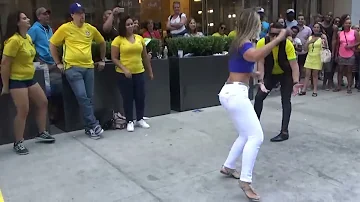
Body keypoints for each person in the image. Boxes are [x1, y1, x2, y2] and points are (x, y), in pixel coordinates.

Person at [218, 8, 288, 201]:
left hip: (229, 91)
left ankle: (228, 166)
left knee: (245, 134)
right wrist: (278, 39)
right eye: (258, 22)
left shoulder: (237, 42)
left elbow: (239, 66)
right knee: (256, 136)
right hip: (235, 94)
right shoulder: (245, 43)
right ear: (253, 24)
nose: (261, 25)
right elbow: (255, 56)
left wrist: (253, 74)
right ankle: (245, 181)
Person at [49, 2, 106, 139]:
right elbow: (52, 44)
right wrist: (58, 63)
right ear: (72, 15)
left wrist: (102, 59)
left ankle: (89, 129)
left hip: (88, 67)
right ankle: (94, 124)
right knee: (82, 96)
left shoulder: (90, 29)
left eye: (83, 13)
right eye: (79, 13)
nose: (82, 16)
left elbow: (102, 41)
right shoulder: (65, 28)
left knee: (89, 98)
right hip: (72, 68)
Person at [1, 11, 55, 155]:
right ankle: (18, 142)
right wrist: (6, 86)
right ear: (17, 23)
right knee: (23, 110)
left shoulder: (28, 37)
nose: (28, 19)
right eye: (24, 18)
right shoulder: (13, 41)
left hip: (29, 78)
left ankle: (42, 132)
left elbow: (31, 56)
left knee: (43, 102)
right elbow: (5, 64)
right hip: (17, 80)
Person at [254, 22, 302, 142]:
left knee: (285, 101)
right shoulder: (262, 43)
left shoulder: (287, 44)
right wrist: (261, 80)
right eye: (272, 34)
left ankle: (284, 132)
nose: (274, 37)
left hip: (285, 74)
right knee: (259, 97)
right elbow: (260, 62)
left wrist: (296, 82)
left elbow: (294, 65)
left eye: (277, 34)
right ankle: (253, 128)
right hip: (271, 74)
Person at [111, 16, 153, 132]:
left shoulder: (139, 38)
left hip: (139, 71)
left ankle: (140, 119)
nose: (131, 26)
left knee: (140, 97)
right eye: (128, 24)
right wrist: (124, 69)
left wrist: (150, 71)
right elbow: (114, 58)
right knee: (128, 98)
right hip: (124, 74)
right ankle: (129, 120)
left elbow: (144, 56)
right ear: (123, 26)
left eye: (132, 24)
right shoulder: (118, 40)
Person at [299, 23, 328, 96]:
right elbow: (305, 49)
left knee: (315, 75)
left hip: (317, 57)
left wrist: (324, 41)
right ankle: (304, 89)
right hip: (309, 56)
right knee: (307, 74)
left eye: (318, 27)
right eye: (314, 27)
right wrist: (309, 42)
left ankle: (315, 90)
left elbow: (326, 47)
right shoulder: (310, 37)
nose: (316, 29)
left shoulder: (323, 37)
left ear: (320, 28)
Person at [334, 18, 360, 93]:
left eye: (349, 23)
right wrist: (336, 54)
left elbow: (358, 42)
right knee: (340, 71)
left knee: (349, 71)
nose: (348, 25)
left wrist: (351, 46)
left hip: (351, 54)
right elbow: (337, 45)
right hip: (341, 53)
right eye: (346, 23)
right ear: (343, 24)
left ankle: (349, 87)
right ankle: (338, 86)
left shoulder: (354, 32)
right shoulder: (340, 33)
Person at [321, 12, 338, 90]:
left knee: (329, 67)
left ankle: (328, 82)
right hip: (320, 47)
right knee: (321, 67)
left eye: (331, 16)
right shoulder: (319, 25)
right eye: (328, 15)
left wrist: (333, 51)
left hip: (329, 48)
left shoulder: (334, 27)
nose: (329, 16)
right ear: (324, 16)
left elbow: (334, 40)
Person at [296, 14, 312, 79]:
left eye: (302, 19)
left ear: (304, 20)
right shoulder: (294, 28)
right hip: (295, 52)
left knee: (304, 68)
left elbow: (310, 38)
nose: (300, 20)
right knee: (296, 67)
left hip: (304, 51)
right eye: (299, 19)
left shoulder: (308, 29)